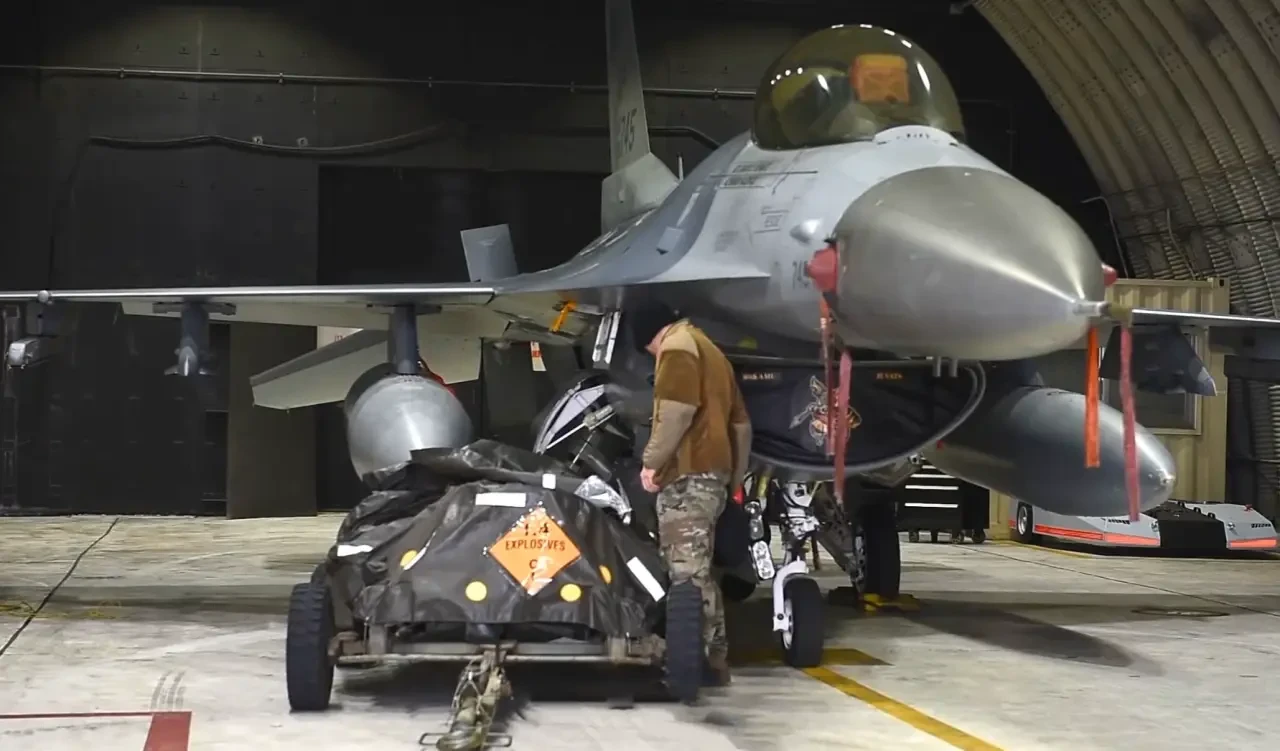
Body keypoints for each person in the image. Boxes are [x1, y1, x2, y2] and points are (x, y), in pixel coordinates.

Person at [629, 301, 752, 687]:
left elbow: (677, 411)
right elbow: (741, 425)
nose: (653, 357)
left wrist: (651, 462)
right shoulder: (713, 352)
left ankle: (696, 663)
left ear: (651, 337)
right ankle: (713, 658)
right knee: (698, 569)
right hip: (713, 475)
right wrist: (732, 480)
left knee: (686, 573)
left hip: (688, 474)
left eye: (649, 350)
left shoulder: (677, 347)